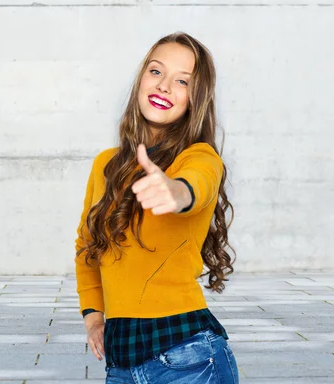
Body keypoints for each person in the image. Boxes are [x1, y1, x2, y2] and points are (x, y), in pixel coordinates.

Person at [74, 32, 239, 384]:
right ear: (140, 80)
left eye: (182, 81)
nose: (165, 86)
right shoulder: (106, 165)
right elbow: (86, 247)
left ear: (195, 99)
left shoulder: (198, 157)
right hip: (119, 362)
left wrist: (175, 192)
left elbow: (197, 184)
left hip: (188, 359)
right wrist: (93, 317)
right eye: (156, 72)